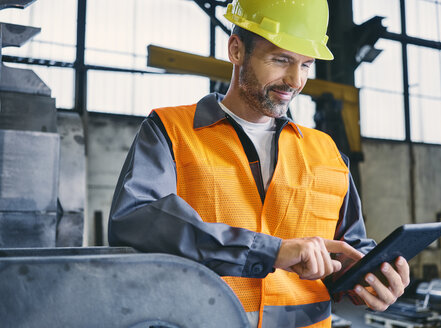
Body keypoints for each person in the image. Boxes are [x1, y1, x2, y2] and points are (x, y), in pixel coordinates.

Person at [108, 0, 410, 327]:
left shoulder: (327, 152)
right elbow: (136, 219)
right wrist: (268, 251)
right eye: (281, 60)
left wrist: (373, 278)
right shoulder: (171, 131)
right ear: (237, 50)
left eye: (306, 64)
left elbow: (348, 248)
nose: (295, 80)